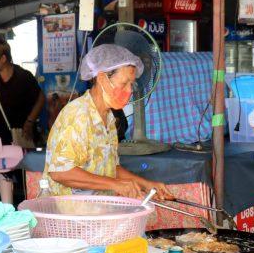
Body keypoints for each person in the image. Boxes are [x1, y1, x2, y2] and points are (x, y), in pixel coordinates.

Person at [43, 44, 172, 198]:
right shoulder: (77, 115)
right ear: (102, 78)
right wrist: (115, 184)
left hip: (96, 212)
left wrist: (147, 185)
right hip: (69, 215)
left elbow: (110, 168)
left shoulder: (109, 118)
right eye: (124, 83)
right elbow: (61, 172)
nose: (130, 90)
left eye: (131, 84)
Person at [0, 37, 44, 148]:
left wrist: (30, 121)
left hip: (21, 137)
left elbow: (40, 98)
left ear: (3, 58)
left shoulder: (23, 77)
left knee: (23, 164)